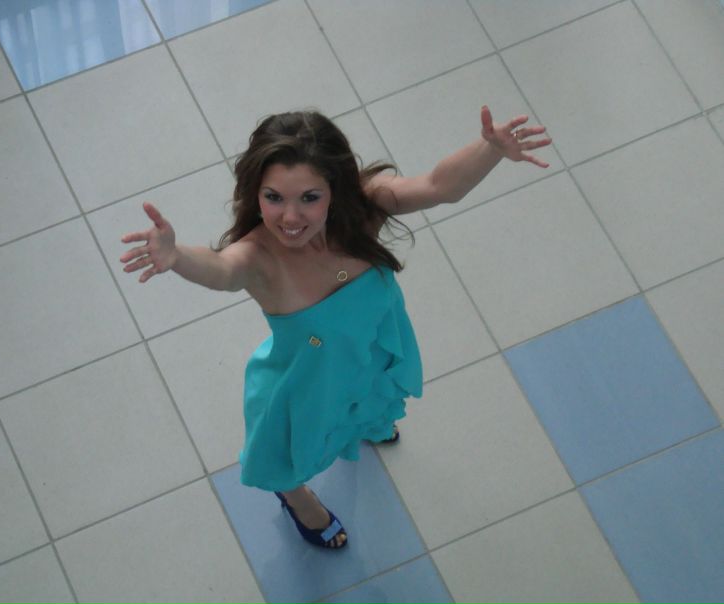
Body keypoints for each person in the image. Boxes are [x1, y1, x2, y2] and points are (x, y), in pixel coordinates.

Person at [120, 106, 551, 550]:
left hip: (369, 348)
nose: (291, 218)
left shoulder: (364, 208)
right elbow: (222, 270)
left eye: (309, 198)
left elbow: (439, 186)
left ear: (335, 190)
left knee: (369, 400)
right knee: (288, 452)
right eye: (274, 198)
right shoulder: (258, 257)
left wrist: (490, 149)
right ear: (255, 193)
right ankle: (295, 496)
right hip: (310, 375)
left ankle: (363, 423)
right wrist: (177, 257)